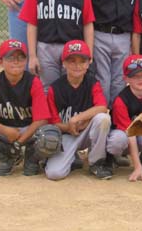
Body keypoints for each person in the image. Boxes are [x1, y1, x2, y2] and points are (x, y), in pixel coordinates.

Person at [0, 39, 61, 176]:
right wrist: (5, 130)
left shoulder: (33, 82)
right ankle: (8, 158)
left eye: (21, 58)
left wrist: (20, 142)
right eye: (10, 58)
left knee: (51, 135)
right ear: (0, 62)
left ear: (26, 61)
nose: (16, 61)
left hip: (30, 130)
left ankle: (31, 158)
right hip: (4, 130)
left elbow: (42, 119)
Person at [18, 0, 95, 92]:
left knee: (73, 86)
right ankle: (51, 117)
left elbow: (88, 23)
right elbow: (32, 24)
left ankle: (72, 116)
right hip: (46, 47)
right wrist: (32, 55)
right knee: (48, 89)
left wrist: (89, 53)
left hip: (74, 47)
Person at [45, 40, 112, 180]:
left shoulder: (93, 83)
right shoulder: (55, 89)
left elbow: (102, 107)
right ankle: (73, 159)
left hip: (87, 133)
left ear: (89, 63)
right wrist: (68, 127)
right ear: (64, 63)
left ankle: (96, 162)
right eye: (72, 61)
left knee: (103, 119)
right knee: (54, 173)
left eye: (82, 61)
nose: (77, 65)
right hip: (66, 136)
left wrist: (77, 119)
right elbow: (53, 122)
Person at [106, 55, 142, 181]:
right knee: (116, 142)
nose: (141, 79)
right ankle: (111, 157)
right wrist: (137, 166)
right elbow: (130, 133)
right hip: (124, 135)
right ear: (126, 78)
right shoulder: (121, 100)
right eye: (135, 76)